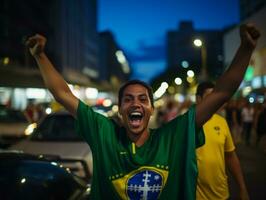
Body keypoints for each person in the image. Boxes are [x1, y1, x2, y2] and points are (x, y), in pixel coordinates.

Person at [26, 23, 260, 199]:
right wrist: (40, 56)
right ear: (120, 111)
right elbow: (64, 94)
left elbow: (221, 93)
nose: (135, 104)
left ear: (150, 109)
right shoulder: (104, 134)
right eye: (128, 99)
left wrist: (246, 49)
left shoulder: (173, 137)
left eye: (142, 99)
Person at [195, 81, 249, 200]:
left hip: (221, 193)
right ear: (198, 99)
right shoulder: (187, 123)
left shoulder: (221, 122)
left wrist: (242, 188)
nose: (213, 103)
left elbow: (230, 156)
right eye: (209, 98)